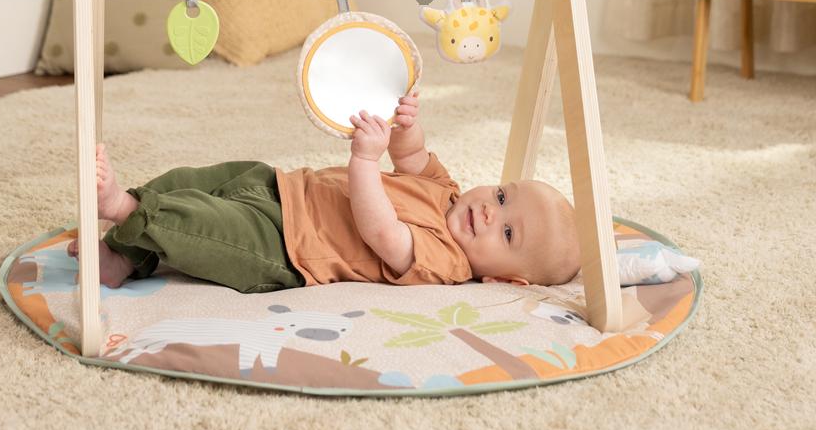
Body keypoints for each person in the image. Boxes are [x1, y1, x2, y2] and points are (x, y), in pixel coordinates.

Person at [67, 90, 582, 292]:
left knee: (205, 227)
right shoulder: (447, 192)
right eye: (502, 196)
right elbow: (412, 156)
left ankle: (122, 207)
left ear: (506, 279)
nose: (490, 212)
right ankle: (121, 256)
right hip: (282, 185)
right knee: (192, 182)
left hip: (284, 248)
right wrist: (405, 124)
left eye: (508, 232)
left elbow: (381, 231)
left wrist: (365, 160)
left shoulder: (446, 262)